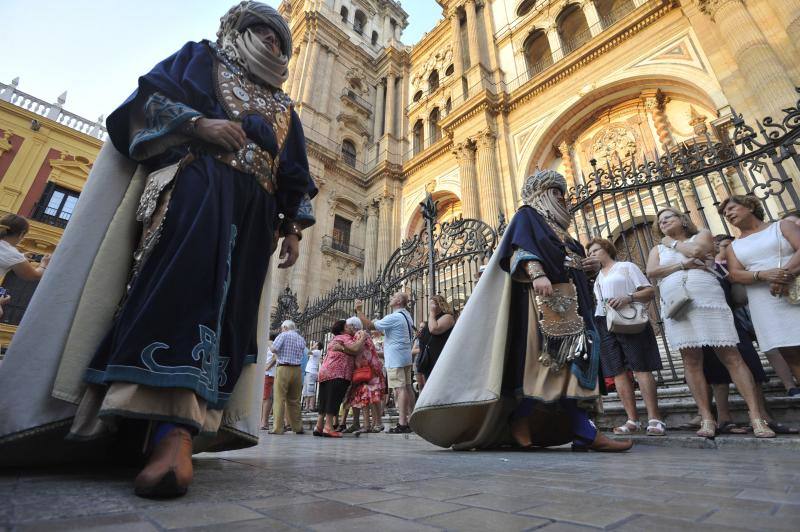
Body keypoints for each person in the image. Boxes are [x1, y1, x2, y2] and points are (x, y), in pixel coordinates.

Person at [0, 2, 317, 499]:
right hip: (196, 184)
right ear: (238, 30)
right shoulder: (201, 57)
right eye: (263, 31)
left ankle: (182, 429)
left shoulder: (285, 107)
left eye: (281, 39)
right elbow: (149, 101)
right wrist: (199, 125)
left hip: (255, 218)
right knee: (179, 295)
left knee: (230, 317)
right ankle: (156, 430)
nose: (273, 42)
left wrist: (294, 226)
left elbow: (294, 169)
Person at [410, 170, 629, 452]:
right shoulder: (528, 216)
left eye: (563, 194)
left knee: (572, 367)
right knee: (547, 366)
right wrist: (537, 273)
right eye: (556, 193)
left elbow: (570, 262)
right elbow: (517, 249)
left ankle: (577, 429)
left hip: (573, 307)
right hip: (542, 307)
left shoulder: (563, 233)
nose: (563, 199)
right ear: (543, 196)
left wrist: (588, 267)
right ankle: (537, 422)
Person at [645, 207, 773, 438]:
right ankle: (706, 417)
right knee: (691, 360)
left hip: (708, 299)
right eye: (660, 221)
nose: (663, 222)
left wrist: (672, 244)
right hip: (677, 305)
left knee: (731, 355)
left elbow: (698, 250)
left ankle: (756, 417)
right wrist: (682, 265)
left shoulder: (702, 234)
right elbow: (652, 271)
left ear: (683, 220)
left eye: (668, 217)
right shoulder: (656, 248)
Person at [721, 195, 800, 396]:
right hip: (765, 302)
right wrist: (762, 275)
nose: (728, 214)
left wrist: (783, 276)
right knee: (788, 351)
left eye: (731, 208)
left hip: (794, 290)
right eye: (725, 213)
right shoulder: (733, 246)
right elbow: (735, 274)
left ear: (749, 206)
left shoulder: (782, 226)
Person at [587, 238, 665, 436]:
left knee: (641, 368)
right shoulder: (597, 277)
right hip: (604, 323)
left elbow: (649, 291)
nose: (592, 254)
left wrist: (628, 297)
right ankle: (632, 420)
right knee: (617, 371)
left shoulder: (626, 267)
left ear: (607, 249)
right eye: (589, 252)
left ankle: (655, 419)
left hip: (629, 321)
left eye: (595, 250)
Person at [355, 293, 415, 434]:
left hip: (395, 357)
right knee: (407, 387)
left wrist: (359, 310)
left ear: (399, 301)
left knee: (399, 389)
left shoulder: (394, 317)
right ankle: (412, 419)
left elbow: (370, 325)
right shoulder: (407, 315)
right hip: (405, 355)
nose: (390, 298)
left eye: (393, 297)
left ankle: (402, 423)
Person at [314, 320, 367, 437]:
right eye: (348, 326)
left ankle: (319, 426)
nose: (350, 327)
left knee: (324, 399)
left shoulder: (335, 339)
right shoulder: (345, 337)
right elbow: (355, 349)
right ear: (343, 329)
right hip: (338, 372)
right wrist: (362, 338)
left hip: (325, 371)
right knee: (334, 399)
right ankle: (328, 427)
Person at [345, 317, 385, 433]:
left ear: (353, 326)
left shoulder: (359, 334)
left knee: (371, 396)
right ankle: (369, 424)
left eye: (347, 326)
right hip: (370, 368)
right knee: (367, 396)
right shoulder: (361, 334)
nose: (346, 328)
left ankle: (378, 423)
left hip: (367, 369)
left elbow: (358, 350)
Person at [270, 320, 307, 435]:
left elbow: (274, 349)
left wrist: (269, 344)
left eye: (282, 328)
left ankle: (278, 428)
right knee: (294, 400)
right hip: (297, 370)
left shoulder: (283, 335)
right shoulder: (300, 338)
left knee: (279, 399)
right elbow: (303, 352)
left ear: (285, 327)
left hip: (283, 368)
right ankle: (298, 427)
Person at [416, 296, 456, 390]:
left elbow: (434, 329)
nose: (430, 307)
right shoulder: (431, 318)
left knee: (438, 387)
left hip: (438, 357)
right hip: (428, 359)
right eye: (429, 304)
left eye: (432, 304)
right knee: (428, 387)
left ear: (440, 304)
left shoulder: (447, 317)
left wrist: (432, 313)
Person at [0, 214, 51, 280]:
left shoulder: (13, 255)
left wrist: (21, 257)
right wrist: (44, 263)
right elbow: (35, 276)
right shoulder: (13, 254)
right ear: (21, 234)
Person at [261, 337, 277, 430]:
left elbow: (275, 357)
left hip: (268, 373)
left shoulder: (269, 344)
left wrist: (267, 366)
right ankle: (263, 422)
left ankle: (263, 422)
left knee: (266, 398)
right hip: (269, 373)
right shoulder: (270, 344)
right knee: (267, 397)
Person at [302, 341, 321, 411]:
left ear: (318, 346)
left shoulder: (317, 351)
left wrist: (312, 346)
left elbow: (308, 352)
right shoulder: (314, 351)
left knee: (310, 390)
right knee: (306, 390)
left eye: (316, 343)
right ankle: (307, 406)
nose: (314, 344)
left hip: (312, 372)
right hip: (308, 371)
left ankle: (311, 406)